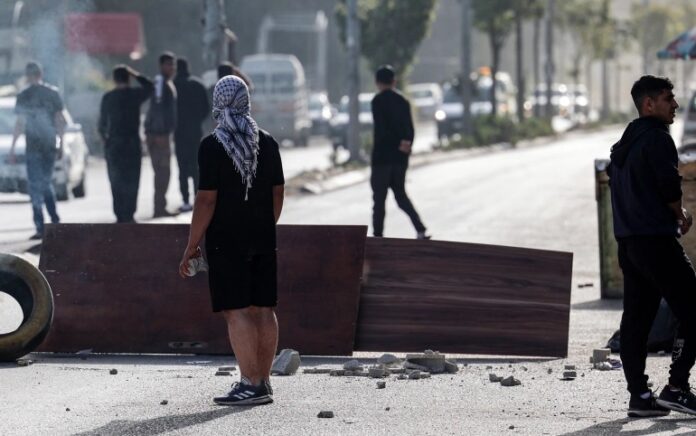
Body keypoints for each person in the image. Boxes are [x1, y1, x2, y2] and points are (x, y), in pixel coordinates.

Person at [179, 75, 285, 406]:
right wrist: (264, 224)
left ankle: (250, 382)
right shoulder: (266, 142)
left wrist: (191, 244)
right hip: (264, 236)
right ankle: (263, 382)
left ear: (219, 102)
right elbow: (277, 193)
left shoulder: (213, 145)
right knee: (263, 308)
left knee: (235, 310)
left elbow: (206, 200)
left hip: (227, 240)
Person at [609, 75, 696, 417]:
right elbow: (668, 185)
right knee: (693, 309)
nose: (674, 104)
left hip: (629, 245)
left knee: (636, 321)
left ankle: (639, 398)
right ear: (649, 104)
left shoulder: (624, 144)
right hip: (657, 243)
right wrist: (681, 212)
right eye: (667, 98)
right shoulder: (659, 139)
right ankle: (676, 388)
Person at [370, 65, 429, 239]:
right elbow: (410, 130)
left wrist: (393, 143)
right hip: (399, 159)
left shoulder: (377, 102)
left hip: (381, 159)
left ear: (377, 83)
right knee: (401, 196)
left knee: (379, 200)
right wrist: (405, 146)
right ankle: (420, 228)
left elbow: (381, 130)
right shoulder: (403, 101)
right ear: (394, 81)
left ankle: (378, 236)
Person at [9, 62, 65, 240]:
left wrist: (12, 147)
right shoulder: (53, 93)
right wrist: (61, 143)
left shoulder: (24, 95)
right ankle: (54, 220)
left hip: (33, 146)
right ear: (41, 74)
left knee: (36, 185)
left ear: (27, 76)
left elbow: (20, 123)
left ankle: (42, 225)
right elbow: (59, 121)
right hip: (48, 145)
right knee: (46, 182)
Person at [98, 65, 154, 223]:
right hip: (132, 144)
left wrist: (106, 143)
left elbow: (101, 125)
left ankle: (119, 214)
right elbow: (150, 86)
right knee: (132, 180)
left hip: (114, 145)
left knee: (116, 180)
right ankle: (129, 214)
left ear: (114, 80)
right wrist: (135, 73)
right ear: (128, 79)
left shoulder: (108, 97)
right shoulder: (134, 94)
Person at [173, 58, 209, 212]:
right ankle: (197, 197)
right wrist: (197, 121)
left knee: (182, 167)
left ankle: (185, 200)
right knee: (196, 166)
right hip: (195, 132)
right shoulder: (198, 84)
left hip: (179, 132)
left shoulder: (172, 85)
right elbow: (207, 108)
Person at [145, 52, 177, 218]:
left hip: (162, 135)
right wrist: (160, 134)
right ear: (161, 65)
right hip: (159, 137)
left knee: (164, 173)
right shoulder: (160, 83)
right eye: (169, 64)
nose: (172, 68)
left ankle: (160, 206)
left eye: (173, 65)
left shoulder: (166, 83)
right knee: (162, 172)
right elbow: (157, 108)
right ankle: (159, 208)